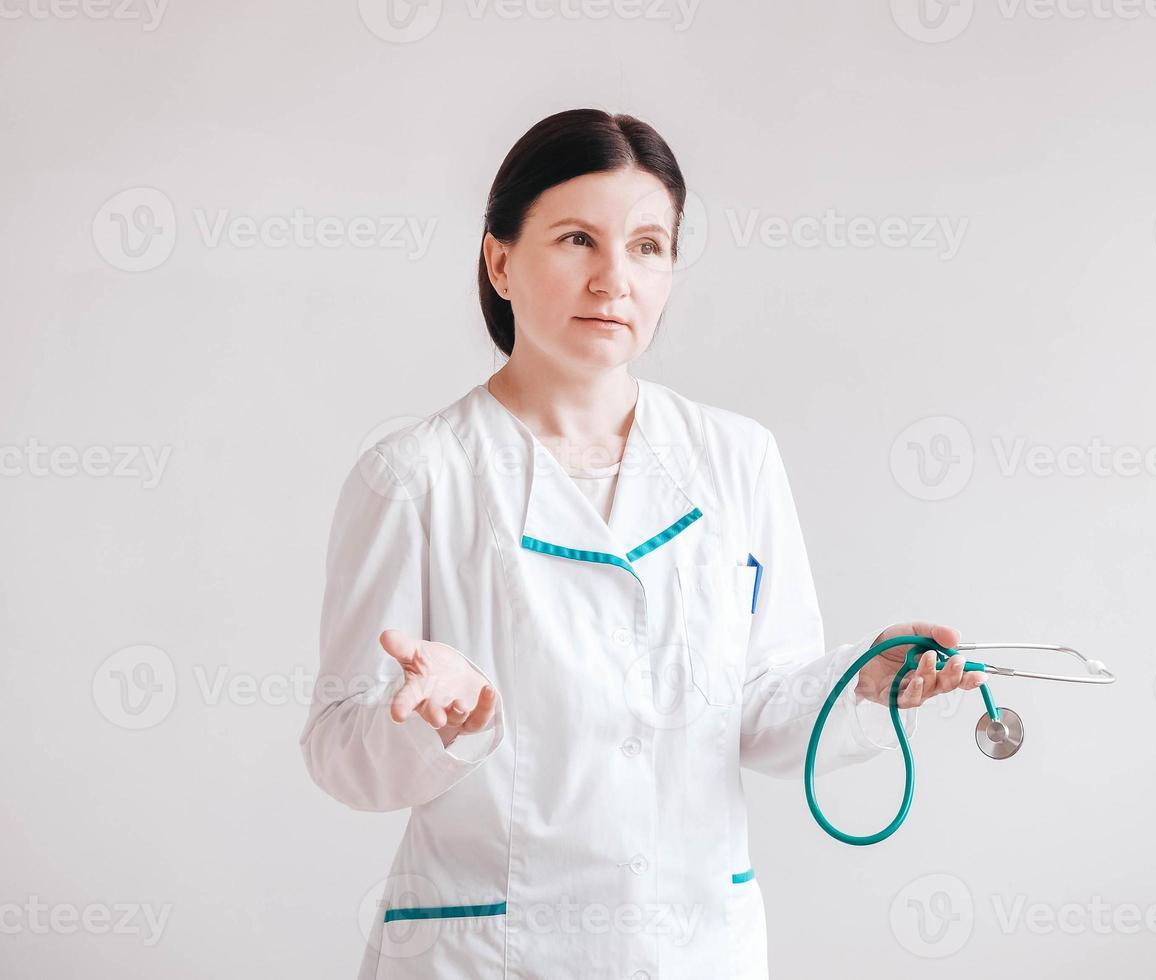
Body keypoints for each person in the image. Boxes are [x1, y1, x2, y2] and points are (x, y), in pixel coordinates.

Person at [299, 107, 984, 980]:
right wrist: (441, 725)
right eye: (577, 239)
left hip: (693, 944)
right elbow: (338, 749)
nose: (613, 279)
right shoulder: (415, 475)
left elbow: (764, 710)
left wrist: (864, 684)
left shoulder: (736, 459)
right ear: (500, 260)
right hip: (488, 952)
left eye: (648, 246)